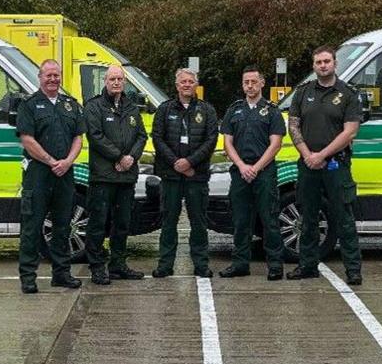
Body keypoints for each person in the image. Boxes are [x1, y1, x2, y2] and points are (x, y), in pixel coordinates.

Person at [286, 46, 363, 285]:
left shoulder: (348, 94)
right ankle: (307, 265)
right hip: (308, 165)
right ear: (313, 66)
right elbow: (293, 125)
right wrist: (308, 154)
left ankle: (353, 270)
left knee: (344, 219)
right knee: (307, 218)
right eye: (318, 62)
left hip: (335, 166)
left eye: (327, 61)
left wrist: (322, 155)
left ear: (335, 63)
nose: (323, 65)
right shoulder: (302, 93)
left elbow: (350, 131)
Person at [17, 59, 86, 294]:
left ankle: (61, 274)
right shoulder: (29, 105)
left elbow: (79, 137)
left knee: (62, 226)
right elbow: (27, 138)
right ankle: (28, 277)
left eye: (56, 75)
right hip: (39, 173)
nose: (53, 79)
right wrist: (50, 161)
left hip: (64, 174)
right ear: (40, 77)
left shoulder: (70, 105)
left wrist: (67, 162)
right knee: (32, 226)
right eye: (48, 75)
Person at [219, 66, 286, 281]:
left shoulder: (272, 111)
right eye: (246, 82)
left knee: (269, 220)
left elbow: (275, 144)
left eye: (253, 82)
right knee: (240, 220)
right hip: (240, 171)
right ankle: (240, 264)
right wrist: (241, 166)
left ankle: (275, 265)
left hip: (264, 172)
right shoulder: (234, 110)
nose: (249, 86)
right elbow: (227, 142)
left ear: (262, 83)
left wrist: (255, 168)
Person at [83, 65, 148, 285]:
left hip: (127, 176)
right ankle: (97, 267)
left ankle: (118, 264)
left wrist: (132, 157)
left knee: (122, 223)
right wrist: (119, 157)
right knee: (98, 224)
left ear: (124, 82)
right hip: (103, 176)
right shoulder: (94, 106)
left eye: (120, 79)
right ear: (105, 81)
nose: (116, 83)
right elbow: (95, 136)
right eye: (112, 79)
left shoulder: (131, 106)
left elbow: (141, 135)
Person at [151, 68, 219, 278]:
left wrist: (190, 162)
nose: (187, 85)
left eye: (190, 81)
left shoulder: (207, 111)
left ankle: (200, 264)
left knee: (198, 222)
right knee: (169, 221)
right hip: (171, 176)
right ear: (177, 85)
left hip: (196, 176)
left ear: (196, 85)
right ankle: (165, 265)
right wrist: (176, 163)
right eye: (183, 82)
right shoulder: (164, 109)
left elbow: (211, 140)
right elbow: (157, 138)